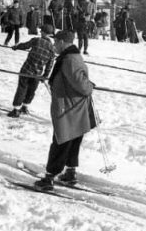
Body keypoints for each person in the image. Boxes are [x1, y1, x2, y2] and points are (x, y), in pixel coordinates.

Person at [33, 29, 98, 191]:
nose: (54, 45)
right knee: (72, 140)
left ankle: (49, 178)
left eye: (56, 42)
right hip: (72, 107)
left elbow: (83, 86)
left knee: (61, 141)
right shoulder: (70, 57)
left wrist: (90, 86)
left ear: (62, 42)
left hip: (70, 108)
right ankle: (70, 173)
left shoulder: (69, 60)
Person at [7, 24, 56, 118]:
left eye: (41, 31)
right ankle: (25, 107)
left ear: (44, 33)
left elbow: (25, 45)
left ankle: (16, 109)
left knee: (22, 89)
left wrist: (16, 47)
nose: (40, 32)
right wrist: (45, 75)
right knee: (31, 91)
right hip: (37, 74)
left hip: (26, 70)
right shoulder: (52, 48)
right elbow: (50, 64)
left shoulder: (36, 40)